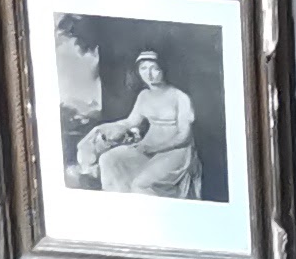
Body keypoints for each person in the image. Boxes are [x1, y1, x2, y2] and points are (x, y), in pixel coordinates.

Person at [74, 50, 202, 196]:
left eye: (154, 68)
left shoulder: (180, 97)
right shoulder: (144, 95)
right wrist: (102, 128)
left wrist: (154, 148)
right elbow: (131, 121)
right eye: (143, 68)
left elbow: (184, 136)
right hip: (147, 146)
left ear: (163, 69)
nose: (149, 74)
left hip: (175, 152)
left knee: (141, 184)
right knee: (108, 160)